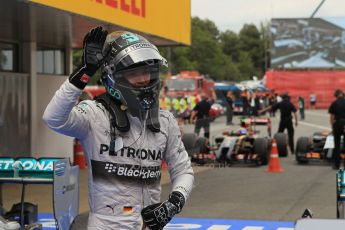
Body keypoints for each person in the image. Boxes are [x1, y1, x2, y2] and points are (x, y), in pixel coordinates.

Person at [43, 27, 194, 230]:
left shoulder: (165, 120)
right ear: (113, 78)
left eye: (147, 71)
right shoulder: (95, 115)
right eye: (134, 73)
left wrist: (174, 204)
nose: (143, 79)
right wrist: (85, 71)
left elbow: (183, 169)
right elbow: (53, 118)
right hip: (107, 224)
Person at [328, 89, 345, 169]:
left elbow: (331, 116)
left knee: (337, 145)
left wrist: (332, 126)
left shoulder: (334, 103)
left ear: (336, 95)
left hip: (337, 124)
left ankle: (336, 165)